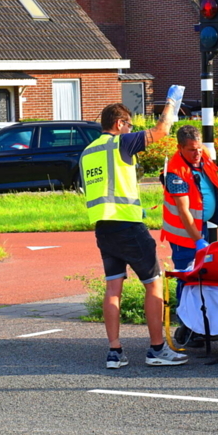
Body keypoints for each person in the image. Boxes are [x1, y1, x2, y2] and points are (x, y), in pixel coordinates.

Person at [81, 87, 188, 370]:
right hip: (128, 222)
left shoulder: (87, 152)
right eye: (129, 124)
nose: (130, 129)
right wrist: (172, 101)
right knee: (154, 283)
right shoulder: (121, 143)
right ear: (119, 124)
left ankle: (115, 352)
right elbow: (162, 130)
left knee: (113, 287)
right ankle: (156, 349)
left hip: (103, 227)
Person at [161, 124, 218, 273]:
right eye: (191, 150)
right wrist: (198, 240)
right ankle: (182, 296)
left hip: (200, 225)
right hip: (184, 234)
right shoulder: (176, 173)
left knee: (204, 272)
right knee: (186, 274)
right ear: (180, 147)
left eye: (198, 148)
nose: (197, 153)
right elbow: (183, 211)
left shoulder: (202, 154)